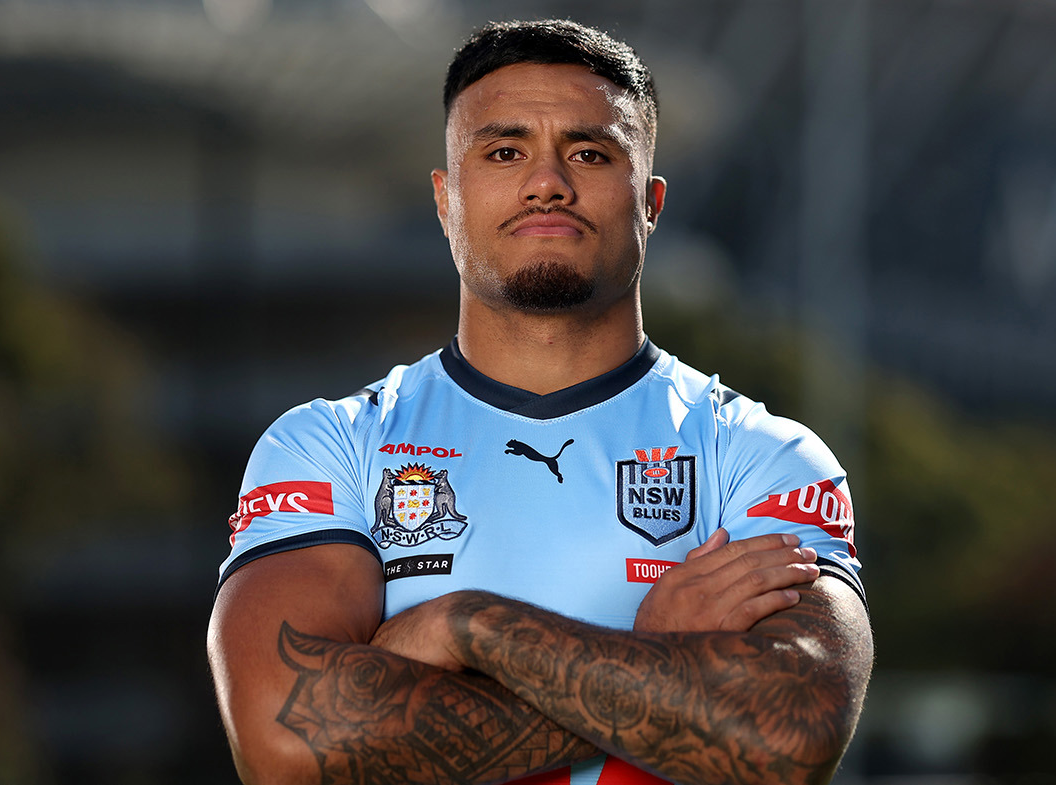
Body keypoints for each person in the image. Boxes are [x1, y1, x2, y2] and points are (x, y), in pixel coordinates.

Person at [208, 19, 872, 785]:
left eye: (590, 152)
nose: (547, 181)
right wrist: (656, 655)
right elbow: (285, 746)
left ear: (651, 202)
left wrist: (466, 624)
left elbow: (791, 735)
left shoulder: (760, 455)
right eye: (504, 151)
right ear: (445, 198)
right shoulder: (328, 445)